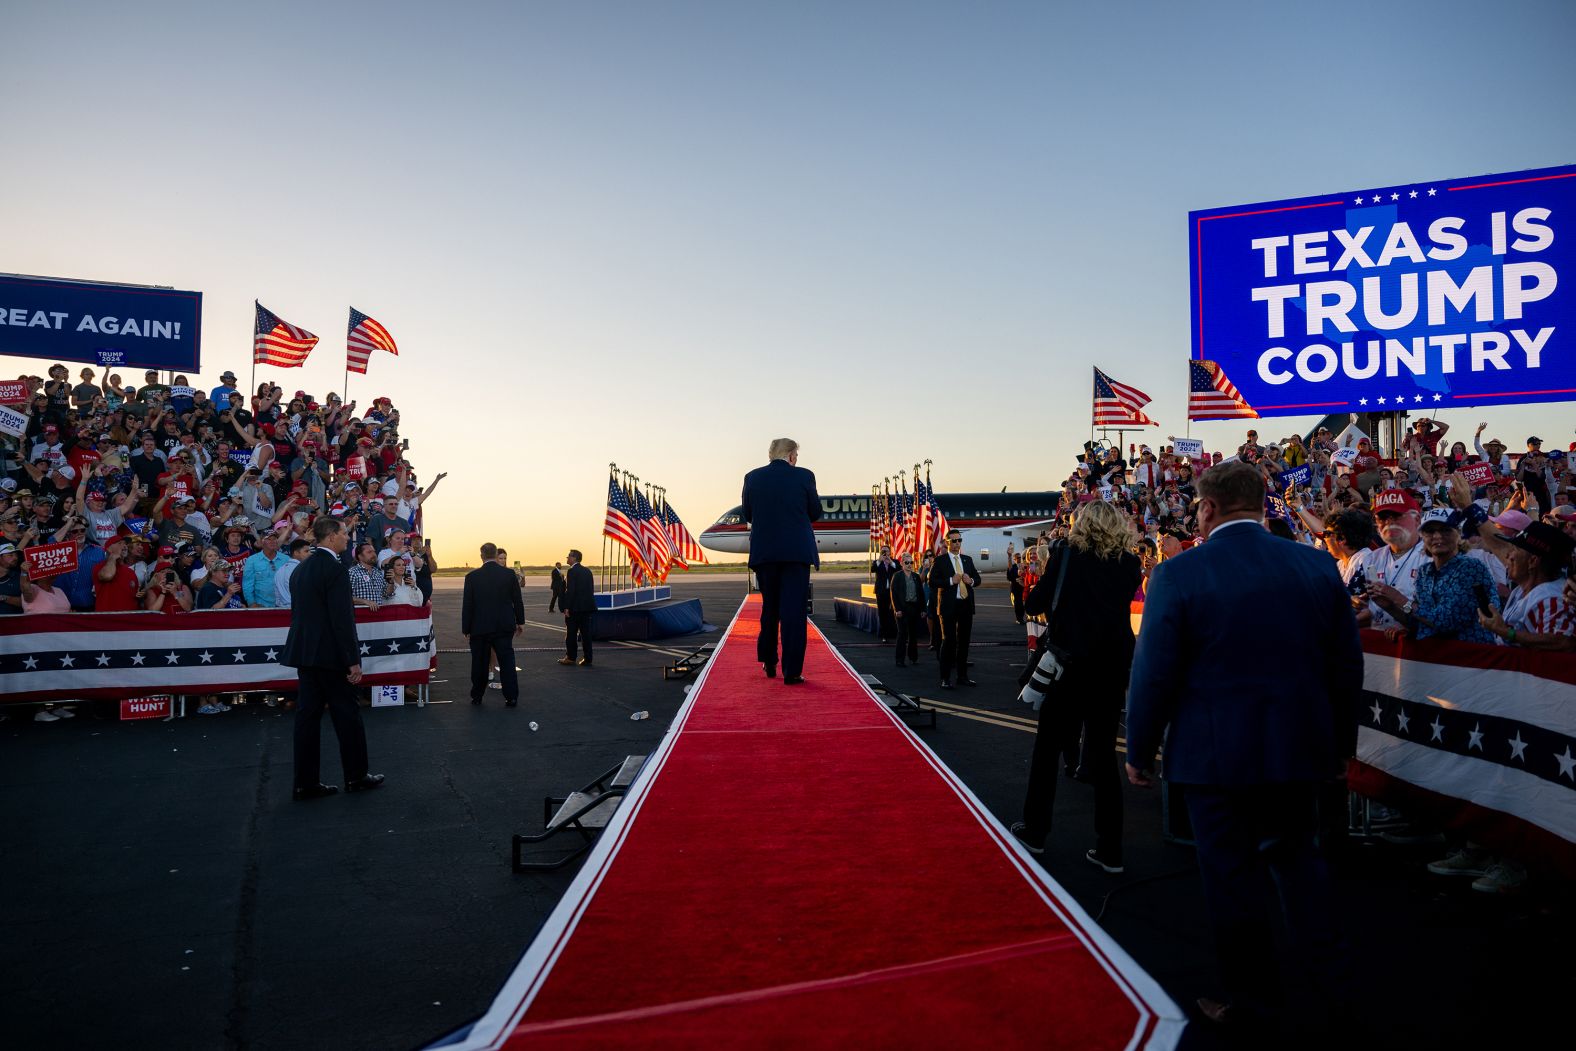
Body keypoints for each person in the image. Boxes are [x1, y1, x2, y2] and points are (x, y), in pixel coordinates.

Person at [1125, 461, 1363, 1035]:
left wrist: (1140, 747)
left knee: (1232, 881)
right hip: (1299, 748)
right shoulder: (1315, 565)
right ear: (1260, 505)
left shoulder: (1179, 575)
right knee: (1300, 866)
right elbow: (1345, 666)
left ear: (1207, 509)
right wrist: (1339, 747)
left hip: (1214, 757)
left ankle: (1253, 1002)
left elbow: (1154, 672)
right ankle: (1333, 989)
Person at [1010, 500, 1142, 873]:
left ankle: (1036, 831)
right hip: (1112, 669)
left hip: (1071, 666)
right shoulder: (1129, 564)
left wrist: (1039, 572)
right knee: (1103, 758)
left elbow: (1036, 602)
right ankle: (1109, 849)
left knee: (1047, 750)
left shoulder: (1067, 556)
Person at [281, 517, 383, 800]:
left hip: (305, 655)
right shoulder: (336, 570)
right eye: (343, 534)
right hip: (331, 657)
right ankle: (356, 775)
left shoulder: (301, 570)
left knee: (307, 719)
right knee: (347, 716)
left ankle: (305, 782)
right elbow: (342, 618)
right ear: (330, 538)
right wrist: (352, 659)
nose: (347, 538)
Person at [741, 438, 821, 684]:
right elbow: (815, 512)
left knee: (770, 608)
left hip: (766, 554)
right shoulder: (804, 476)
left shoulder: (752, 477)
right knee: (793, 612)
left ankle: (769, 661)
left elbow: (747, 513)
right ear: (791, 456)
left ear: (770, 455)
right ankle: (792, 671)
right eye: (796, 455)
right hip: (796, 554)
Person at [1368, 508, 1499, 644]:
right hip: (1436, 659)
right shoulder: (1424, 572)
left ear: (1459, 534)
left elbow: (1445, 622)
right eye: (1430, 531)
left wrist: (1398, 599)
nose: (1437, 536)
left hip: (1469, 659)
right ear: (1423, 537)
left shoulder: (1471, 568)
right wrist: (1390, 607)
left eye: (1445, 530)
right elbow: (1421, 621)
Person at [462, 541, 524, 706]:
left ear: (481, 556)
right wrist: (520, 621)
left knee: (479, 663)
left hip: (480, 627)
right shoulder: (509, 575)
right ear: (496, 555)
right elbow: (517, 600)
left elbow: (468, 605)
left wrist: (466, 628)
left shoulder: (472, 577)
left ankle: (477, 695)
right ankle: (511, 697)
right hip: (504, 626)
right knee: (507, 662)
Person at [929, 531, 981, 688]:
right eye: (954, 541)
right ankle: (945, 678)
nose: (957, 543)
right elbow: (932, 581)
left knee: (964, 642)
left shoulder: (967, 560)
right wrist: (951, 581)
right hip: (948, 607)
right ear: (947, 543)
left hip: (965, 605)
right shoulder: (940, 561)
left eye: (959, 540)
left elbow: (977, 579)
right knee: (949, 641)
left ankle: (962, 676)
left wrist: (970, 580)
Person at [559, 548, 597, 666]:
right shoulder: (587, 571)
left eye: (569, 556)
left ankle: (570, 657)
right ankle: (588, 658)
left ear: (574, 558)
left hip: (575, 609)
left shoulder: (572, 571)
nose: (567, 558)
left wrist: (566, 607)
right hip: (587, 608)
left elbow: (571, 591)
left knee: (571, 634)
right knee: (586, 635)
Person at [890, 554, 926, 666]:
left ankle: (913, 657)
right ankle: (900, 660)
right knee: (902, 634)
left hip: (914, 608)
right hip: (902, 609)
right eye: (907, 562)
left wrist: (923, 609)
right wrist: (897, 609)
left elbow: (921, 594)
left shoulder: (916, 576)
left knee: (913, 634)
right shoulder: (897, 576)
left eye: (911, 562)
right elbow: (893, 594)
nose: (909, 565)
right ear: (901, 563)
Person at [870, 543, 898, 641]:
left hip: (892, 592)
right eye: (883, 551)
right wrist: (879, 560)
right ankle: (884, 635)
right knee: (882, 613)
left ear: (890, 552)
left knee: (893, 612)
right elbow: (873, 569)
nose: (885, 553)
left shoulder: (894, 562)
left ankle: (894, 633)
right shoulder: (877, 562)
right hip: (881, 592)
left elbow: (898, 568)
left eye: (887, 551)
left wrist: (890, 561)